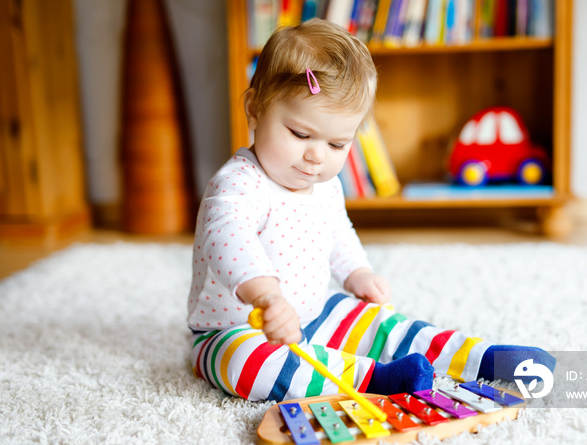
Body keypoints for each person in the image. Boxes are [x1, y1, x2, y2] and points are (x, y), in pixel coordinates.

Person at [188, 19, 554, 402]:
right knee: (250, 366)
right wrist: (266, 296)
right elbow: (227, 237)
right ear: (255, 110)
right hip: (237, 327)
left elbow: (337, 232)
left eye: (336, 144)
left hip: (316, 312)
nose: (316, 156)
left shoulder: (325, 184)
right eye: (299, 134)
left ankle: (481, 359)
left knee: (383, 325)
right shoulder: (239, 183)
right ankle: (374, 379)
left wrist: (357, 273)